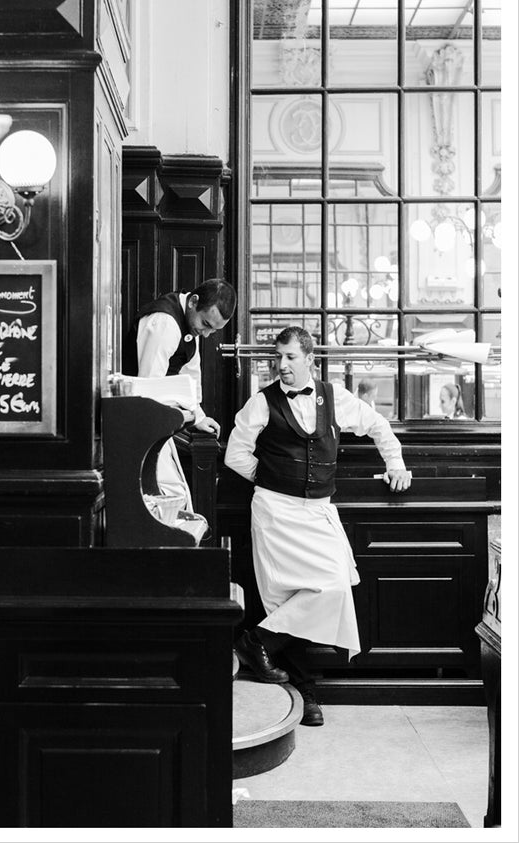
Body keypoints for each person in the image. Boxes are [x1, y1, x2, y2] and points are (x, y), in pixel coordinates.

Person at [224, 326, 411, 726]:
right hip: (275, 512)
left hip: (318, 513)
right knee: (285, 600)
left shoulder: (335, 397)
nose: (282, 365)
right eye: (278, 357)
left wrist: (395, 463)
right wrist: (273, 478)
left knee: (334, 586)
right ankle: (306, 692)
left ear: (309, 359)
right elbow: (235, 455)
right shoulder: (261, 402)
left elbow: (377, 425)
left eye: (290, 357)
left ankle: (256, 641)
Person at [122, 278, 237, 509]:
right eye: (206, 324)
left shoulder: (189, 324)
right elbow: (149, 387)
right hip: (138, 421)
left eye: (213, 330)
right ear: (193, 301)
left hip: (157, 419)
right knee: (168, 493)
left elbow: (190, 377)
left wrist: (199, 416)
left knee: (175, 493)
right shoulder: (164, 322)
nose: (206, 334)